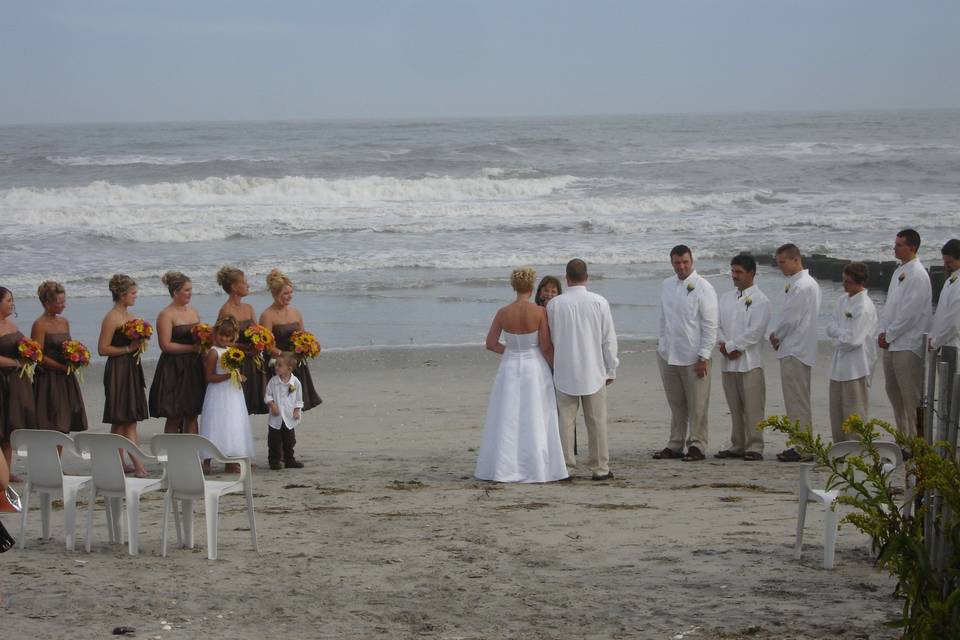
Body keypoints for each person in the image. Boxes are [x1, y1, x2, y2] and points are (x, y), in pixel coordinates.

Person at [475, 267, 567, 483]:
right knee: (536, 414)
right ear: (532, 286)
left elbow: (490, 343)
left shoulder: (503, 312)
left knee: (507, 415)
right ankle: (537, 467)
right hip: (534, 367)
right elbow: (545, 347)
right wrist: (556, 368)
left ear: (513, 286)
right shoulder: (539, 312)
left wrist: (509, 351)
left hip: (509, 366)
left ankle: (503, 467)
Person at [547, 259, 618, 480]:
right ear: (586, 277)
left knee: (565, 423)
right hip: (593, 369)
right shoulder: (600, 302)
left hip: (565, 370)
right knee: (596, 421)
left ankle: (566, 467)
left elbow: (552, 338)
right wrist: (611, 367)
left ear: (567, 278)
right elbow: (609, 339)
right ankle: (600, 468)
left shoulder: (554, 305)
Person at [653, 245, 718, 462]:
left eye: (685, 262)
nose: (681, 266)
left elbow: (710, 325)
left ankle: (697, 444)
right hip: (669, 354)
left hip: (694, 356)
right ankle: (675, 443)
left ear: (692, 261)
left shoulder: (704, 287)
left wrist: (704, 356)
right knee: (677, 403)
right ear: (672, 263)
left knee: (698, 403)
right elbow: (663, 318)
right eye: (677, 263)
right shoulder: (667, 285)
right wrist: (661, 344)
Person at [768, 244, 821, 462]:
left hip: (796, 348)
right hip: (796, 346)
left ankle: (804, 446)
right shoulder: (799, 284)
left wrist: (776, 335)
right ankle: (800, 442)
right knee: (796, 399)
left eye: (782, 262)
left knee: (797, 400)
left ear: (795, 260)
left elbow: (791, 318)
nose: (780, 267)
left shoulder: (802, 285)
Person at [715, 254, 770, 461]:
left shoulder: (761, 300)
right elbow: (717, 324)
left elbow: (756, 331)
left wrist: (734, 346)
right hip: (728, 362)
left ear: (751, 273)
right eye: (732, 271)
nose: (734, 276)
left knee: (753, 407)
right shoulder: (726, 298)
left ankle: (755, 446)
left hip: (750, 362)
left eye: (738, 272)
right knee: (735, 407)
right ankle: (737, 444)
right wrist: (723, 344)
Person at [878, 229, 931, 440]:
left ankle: (916, 442)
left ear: (912, 247)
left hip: (907, 344)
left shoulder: (918, 274)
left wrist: (889, 334)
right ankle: (903, 438)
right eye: (895, 244)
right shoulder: (899, 271)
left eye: (899, 245)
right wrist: (883, 332)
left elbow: (910, 313)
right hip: (892, 343)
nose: (895, 248)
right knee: (894, 393)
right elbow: (891, 306)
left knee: (910, 397)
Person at [97, 274, 149, 477]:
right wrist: (128, 348)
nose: (135, 296)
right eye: (133, 293)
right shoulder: (112, 318)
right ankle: (138, 466)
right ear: (121, 294)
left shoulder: (130, 317)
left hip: (132, 368)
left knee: (124, 419)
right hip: (118, 369)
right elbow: (102, 349)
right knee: (124, 418)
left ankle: (117, 462)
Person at [825, 263, 878, 443]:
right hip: (838, 365)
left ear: (859, 282)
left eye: (847, 282)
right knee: (837, 411)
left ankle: (856, 448)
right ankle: (839, 446)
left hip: (856, 366)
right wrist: (839, 334)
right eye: (843, 280)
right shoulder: (842, 300)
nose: (844, 285)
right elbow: (830, 326)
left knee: (854, 411)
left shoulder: (864, 306)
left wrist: (838, 334)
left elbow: (853, 340)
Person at [148, 271, 205, 434]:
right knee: (174, 413)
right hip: (173, 367)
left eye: (191, 289)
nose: (190, 293)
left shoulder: (193, 311)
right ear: (175, 292)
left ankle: (192, 453)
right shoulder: (166, 315)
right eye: (186, 290)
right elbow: (165, 345)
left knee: (193, 412)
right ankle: (170, 455)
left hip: (193, 366)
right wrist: (191, 348)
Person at [259, 269, 322, 411]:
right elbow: (268, 346)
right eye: (285, 294)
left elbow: (304, 336)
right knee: (280, 405)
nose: (289, 297)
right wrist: (285, 356)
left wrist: (309, 347)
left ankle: (290, 431)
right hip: (278, 364)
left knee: (294, 404)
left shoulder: (296, 313)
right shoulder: (267, 316)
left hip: (296, 363)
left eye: (290, 293)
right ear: (275, 294)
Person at [199, 316, 254, 474]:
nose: (224, 338)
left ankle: (231, 459)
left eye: (227, 336)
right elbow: (209, 377)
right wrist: (228, 376)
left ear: (232, 336)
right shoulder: (213, 353)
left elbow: (233, 370)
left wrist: (238, 376)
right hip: (217, 393)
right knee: (215, 422)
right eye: (221, 335)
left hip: (232, 393)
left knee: (232, 422)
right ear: (215, 334)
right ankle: (207, 460)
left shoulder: (233, 351)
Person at [32, 281, 88, 433]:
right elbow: (37, 356)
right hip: (48, 379)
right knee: (50, 423)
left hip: (65, 377)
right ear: (47, 303)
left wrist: (78, 356)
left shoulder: (64, 322)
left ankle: (58, 456)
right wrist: (61, 367)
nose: (64, 305)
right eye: (60, 302)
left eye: (64, 301)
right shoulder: (39, 325)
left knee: (64, 423)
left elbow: (69, 346)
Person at [216, 266, 267, 416]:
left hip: (253, 360)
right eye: (244, 282)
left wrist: (260, 345)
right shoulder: (226, 310)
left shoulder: (249, 308)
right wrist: (241, 347)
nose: (248, 285)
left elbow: (258, 333)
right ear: (233, 287)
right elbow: (220, 340)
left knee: (250, 402)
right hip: (236, 361)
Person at [0, 287, 36, 481]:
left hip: (15, 381)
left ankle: (7, 469)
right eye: (8, 300)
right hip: (1, 381)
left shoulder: (11, 324)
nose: (12, 304)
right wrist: (15, 363)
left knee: (9, 427)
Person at [264, 352, 305, 470]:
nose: (276, 367)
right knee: (273, 441)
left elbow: (298, 398)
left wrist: (297, 410)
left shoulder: (295, 382)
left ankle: (289, 459)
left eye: (280, 365)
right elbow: (267, 395)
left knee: (289, 440)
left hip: (289, 416)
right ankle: (274, 461)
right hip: (275, 418)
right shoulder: (273, 381)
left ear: (289, 369)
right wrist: (272, 405)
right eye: (276, 365)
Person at [930, 239, 960, 381]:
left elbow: (953, 321)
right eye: (944, 261)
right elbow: (941, 314)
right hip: (944, 344)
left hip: (953, 346)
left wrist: (936, 342)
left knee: (950, 395)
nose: (946, 265)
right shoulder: (951, 280)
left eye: (949, 262)